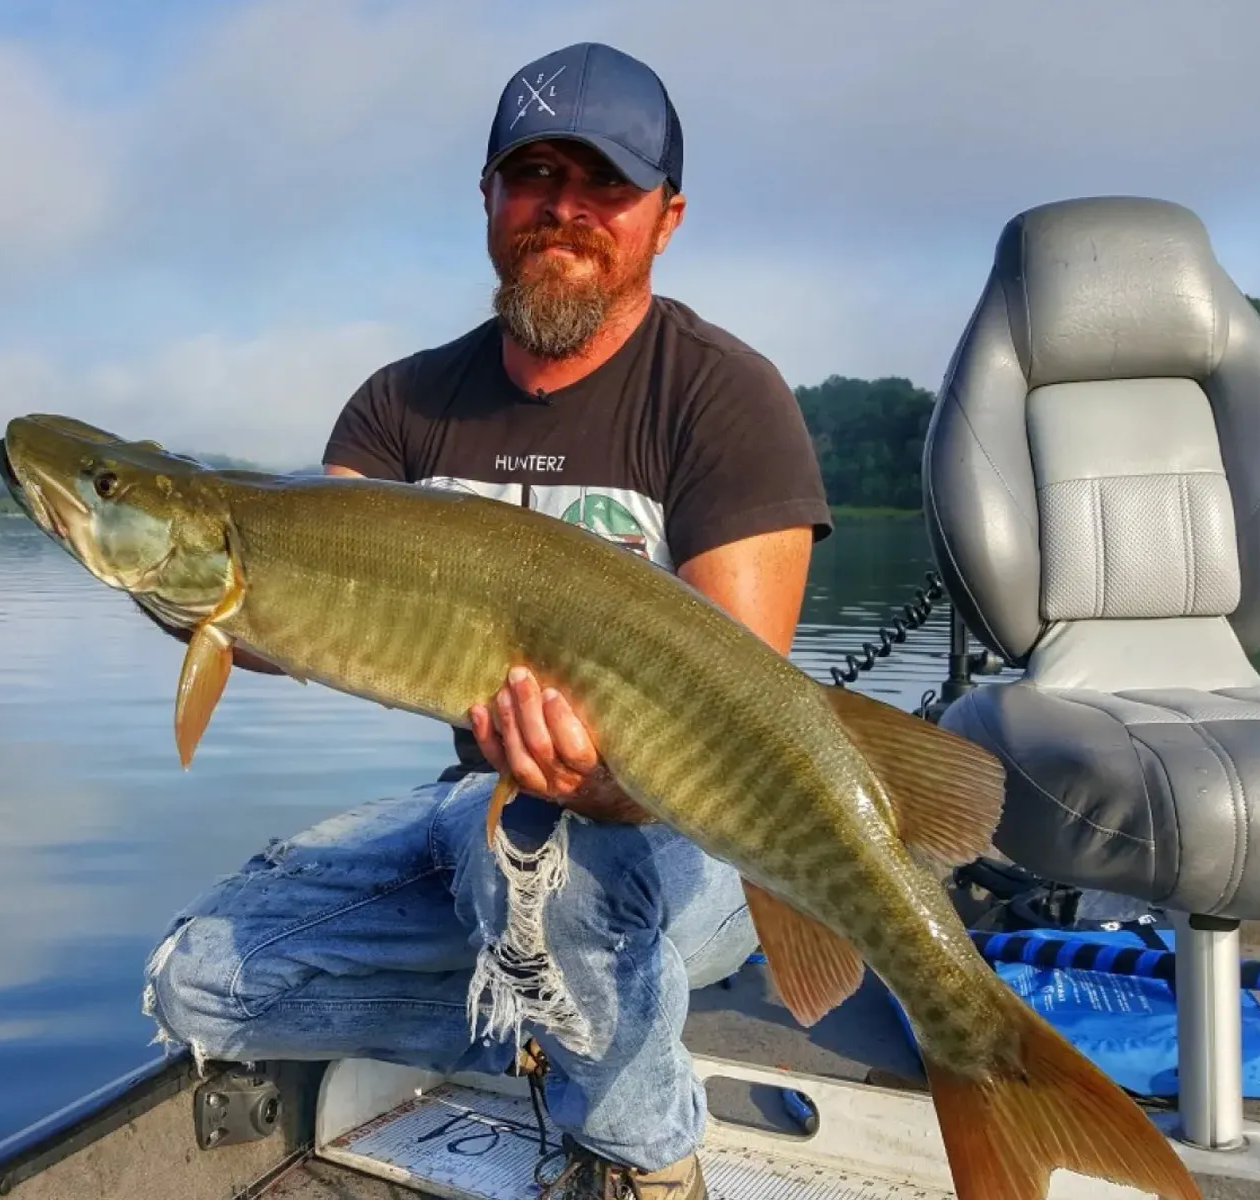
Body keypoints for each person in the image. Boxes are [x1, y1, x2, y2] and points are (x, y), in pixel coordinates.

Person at [141, 41, 832, 1200]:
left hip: (696, 841)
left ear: (666, 217)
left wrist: (610, 785)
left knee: (552, 869)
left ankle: (645, 1159)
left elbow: (739, 728)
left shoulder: (724, 398)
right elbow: (293, 603)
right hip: (479, 810)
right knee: (199, 982)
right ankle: (576, 1032)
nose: (561, 211)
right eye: (532, 176)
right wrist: (170, 577)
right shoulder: (404, 403)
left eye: (603, 184)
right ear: (488, 199)